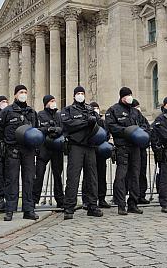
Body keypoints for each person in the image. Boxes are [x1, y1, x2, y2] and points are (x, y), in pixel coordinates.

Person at [0, 85, 39, 221]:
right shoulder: (7, 111)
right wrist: (8, 142)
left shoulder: (31, 112)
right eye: (21, 92)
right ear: (15, 95)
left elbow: (36, 129)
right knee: (11, 180)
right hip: (13, 149)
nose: (23, 94)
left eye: (25, 92)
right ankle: (10, 210)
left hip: (28, 150)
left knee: (29, 180)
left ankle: (28, 209)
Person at [61, 86, 104, 219]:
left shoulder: (90, 109)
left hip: (90, 146)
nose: (80, 95)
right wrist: (86, 122)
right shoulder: (68, 110)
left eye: (82, 93)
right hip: (76, 146)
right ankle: (69, 208)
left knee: (92, 178)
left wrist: (93, 120)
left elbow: (99, 123)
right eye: (78, 93)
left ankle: (92, 206)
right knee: (73, 178)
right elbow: (68, 125)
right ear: (74, 96)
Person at [105, 87, 144, 215]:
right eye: (127, 95)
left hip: (135, 147)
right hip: (122, 147)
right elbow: (111, 126)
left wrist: (141, 134)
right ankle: (121, 204)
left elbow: (145, 125)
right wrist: (127, 131)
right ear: (122, 97)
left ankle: (133, 203)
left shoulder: (135, 112)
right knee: (121, 176)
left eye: (131, 95)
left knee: (135, 176)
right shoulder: (113, 110)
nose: (130, 97)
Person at [33, 94, 64, 210]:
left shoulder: (59, 115)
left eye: (54, 100)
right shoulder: (40, 115)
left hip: (56, 149)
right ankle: (34, 200)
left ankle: (60, 200)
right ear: (46, 103)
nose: (53, 102)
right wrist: (48, 130)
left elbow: (63, 128)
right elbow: (37, 129)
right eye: (51, 101)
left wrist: (58, 130)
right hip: (44, 148)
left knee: (57, 176)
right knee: (39, 175)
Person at [130, 99, 151, 205]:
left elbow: (147, 128)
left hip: (142, 148)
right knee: (134, 173)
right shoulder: (129, 117)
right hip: (133, 148)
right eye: (136, 107)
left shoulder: (142, 118)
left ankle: (141, 194)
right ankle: (133, 195)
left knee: (142, 172)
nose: (138, 109)